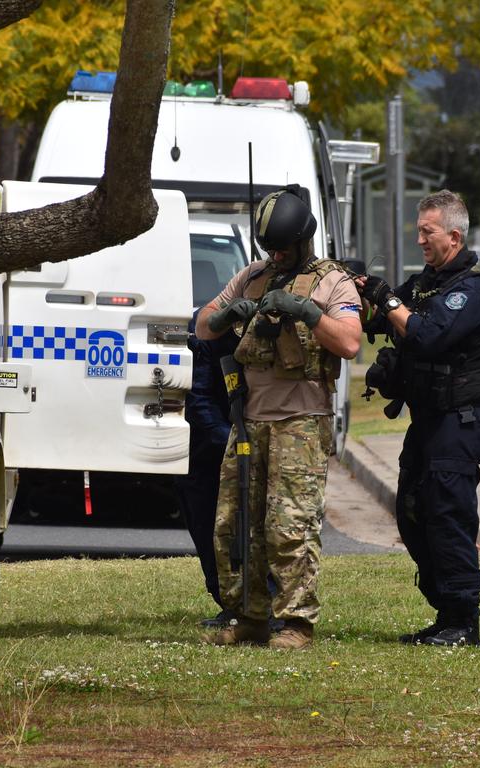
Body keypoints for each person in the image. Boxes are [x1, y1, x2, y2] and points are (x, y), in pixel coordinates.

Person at [195, 186, 362, 650]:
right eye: (270, 247)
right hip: (249, 421)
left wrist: (307, 312)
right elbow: (203, 326)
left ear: (304, 240)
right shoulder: (253, 275)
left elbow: (350, 343)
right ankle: (249, 616)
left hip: (301, 423)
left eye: (283, 247)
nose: (276, 255)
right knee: (237, 523)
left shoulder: (335, 282)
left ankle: (297, 624)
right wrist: (229, 313)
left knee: (290, 524)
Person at [355, 189, 480, 648]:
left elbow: (428, 335)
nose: (420, 239)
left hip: (459, 423)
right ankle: (445, 613)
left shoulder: (473, 291)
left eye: (428, 231)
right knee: (413, 513)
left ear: (454, 236)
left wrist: (387, 299)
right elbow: (380, 319)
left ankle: (465, 622)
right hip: (427, 424)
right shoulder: (426, 283)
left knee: (447, 515)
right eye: (418, 229)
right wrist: (352, 289)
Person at [174, 308, 238, 626]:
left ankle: (265, 604)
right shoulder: (209, 323)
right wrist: (228, 441)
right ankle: (229, 601)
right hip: (211, 447)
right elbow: (197, 396)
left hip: (258, 443)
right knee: (208, 525)